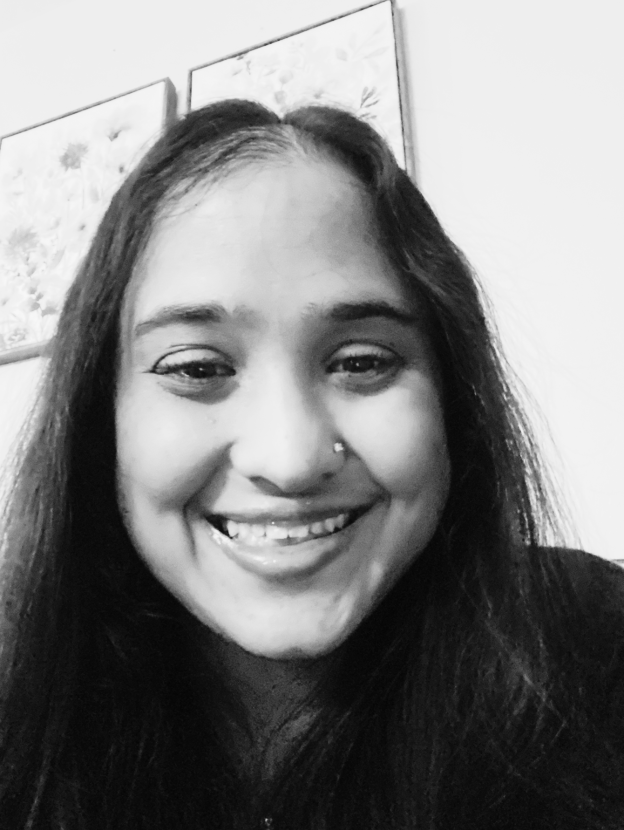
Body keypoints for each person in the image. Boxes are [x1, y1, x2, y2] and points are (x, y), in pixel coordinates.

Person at [0, 99, 622, 830]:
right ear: (99, 417)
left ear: (453, 400)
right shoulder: (21, 697)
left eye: (361, 361)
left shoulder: (589, 645)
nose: (290, 460)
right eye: (198, 368)